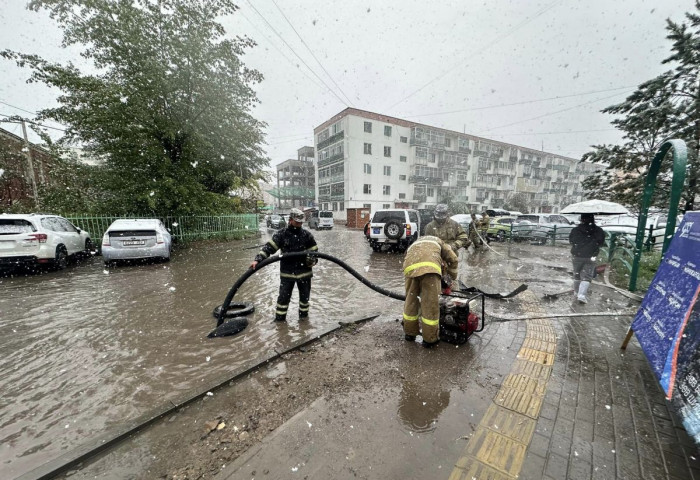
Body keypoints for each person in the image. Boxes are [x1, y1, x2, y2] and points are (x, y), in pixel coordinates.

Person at [251, 208, 318, 321]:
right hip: (287, 274)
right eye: (297, 222)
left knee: (304, 300)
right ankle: (280, 322)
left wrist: (312, 260)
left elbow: (315, 252)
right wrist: (258, 259)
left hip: (305, 274)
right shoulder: (281, 235)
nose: (299, 224)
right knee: (283, 299)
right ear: (290, 220)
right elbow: (269, 248)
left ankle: (304, 321)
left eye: (301, 222)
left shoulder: (307, 235)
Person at [402, 235, 459, 347]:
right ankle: (430, 339)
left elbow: (407, 255)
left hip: (409, 269)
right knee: (430, 304)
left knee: (410, 301)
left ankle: (409, 333)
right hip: (430, 271)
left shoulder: (418, 242)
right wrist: (452, 276)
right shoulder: (441, 243)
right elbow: (454, 259)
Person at [568, 213, 606, 303]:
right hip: (591, 256)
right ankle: (581, 296)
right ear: (593, 219)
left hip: (577, 255)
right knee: (587, 276)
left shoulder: (576, 230)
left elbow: (571, 240)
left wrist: (579, 246)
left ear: (582, 219)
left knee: (577, 274)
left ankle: (576, 292)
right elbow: (601, 242)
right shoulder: (598, 230)